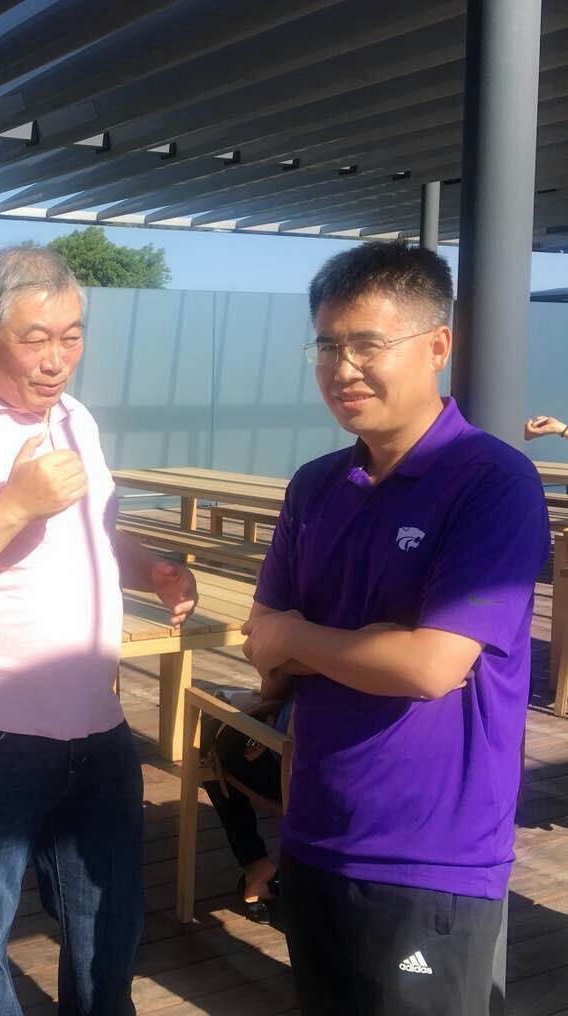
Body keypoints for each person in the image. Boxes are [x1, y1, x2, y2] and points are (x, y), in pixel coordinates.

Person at [0, 244, 198, 1016]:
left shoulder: (74, 418)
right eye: (36, 339)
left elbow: (93, 531)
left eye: (73, 336)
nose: (58, 360)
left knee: (107, 922)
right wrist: (13, 505)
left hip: (96, 723)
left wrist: (150, 568)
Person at [242, 241, 548, 1015]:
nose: (341, 368)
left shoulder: (491, 482)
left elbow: (428, 668)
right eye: (326, 346)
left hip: (430, 858)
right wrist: (351, 645)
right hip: (314, 832)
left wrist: (301, 640)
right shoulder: (315, 487)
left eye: (367, 345)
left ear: (438, 347)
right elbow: (258, 642)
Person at [199, 672, 293, 922]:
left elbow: (274, 684)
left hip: (302, 773)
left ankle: (255, 865)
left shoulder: (316, 647)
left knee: (211, 730)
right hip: (375, 778)